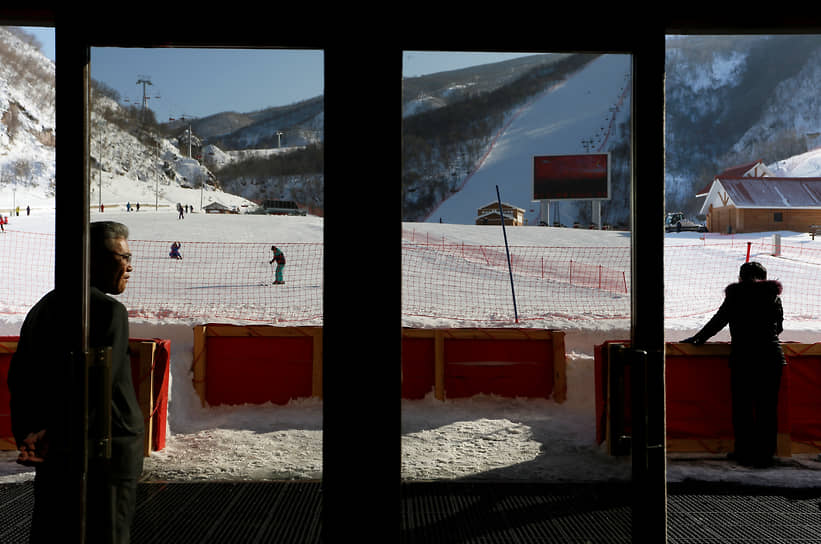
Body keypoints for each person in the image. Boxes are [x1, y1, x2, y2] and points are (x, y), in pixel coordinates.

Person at [8, 221, 144, 543]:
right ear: (92, 260)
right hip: (106, 455)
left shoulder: (43, 308)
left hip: (57, 455)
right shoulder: (109, 312)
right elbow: (97, 389)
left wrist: (37, 440)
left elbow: (20, 380)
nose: (129, 266)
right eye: (121, 257)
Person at [682, 261, 785, 468]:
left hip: (744, 358)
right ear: (763, 277)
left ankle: (744, 453)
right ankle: (765, 455)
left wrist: (698, 339)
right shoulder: (773, 296)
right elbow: (779, 328)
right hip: (771, 357)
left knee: (743, 407)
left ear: (741, 277)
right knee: (767, 408)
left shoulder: (736, 295)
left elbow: (718, 321)